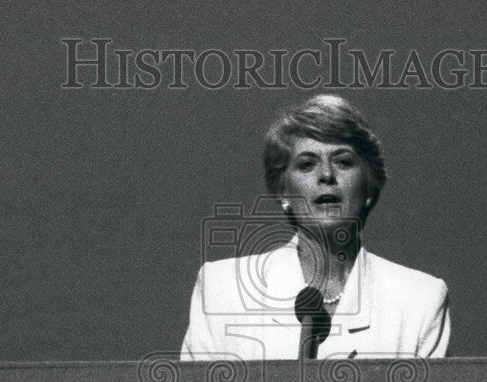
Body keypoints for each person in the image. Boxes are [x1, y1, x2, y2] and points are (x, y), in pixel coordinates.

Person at [180, 94, 450, 361]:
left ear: (368, 187)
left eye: (343, 161)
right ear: (283, 192)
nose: (326, 175)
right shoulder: (223, 289)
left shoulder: (419, 300)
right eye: (307, 164)